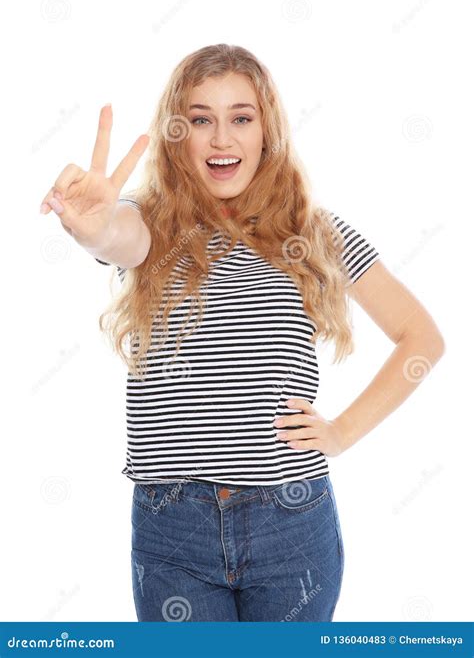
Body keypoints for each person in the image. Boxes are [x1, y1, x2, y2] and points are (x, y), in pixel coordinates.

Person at [39, 43, 445, 622]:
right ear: (179, 136)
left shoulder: (314, 232)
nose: (221, 139)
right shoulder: (151, 224)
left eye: (241, 118)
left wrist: (343, 431)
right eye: (201, 120)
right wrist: (94, 227)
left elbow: (421, 337)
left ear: (266, 131)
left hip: (291, 524)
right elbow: (116, 238)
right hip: (174, 528)